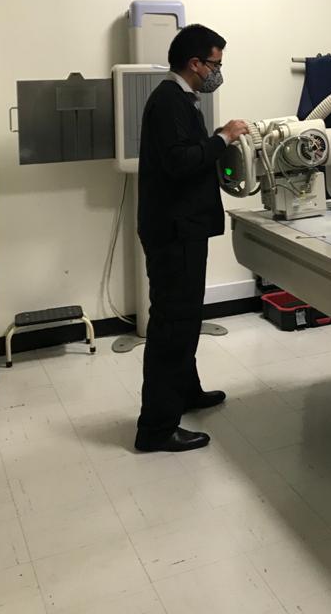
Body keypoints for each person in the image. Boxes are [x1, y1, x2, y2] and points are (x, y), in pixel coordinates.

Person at [134, 23, 248, 453]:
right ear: (195, 63)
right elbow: (181, 162)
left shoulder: (182, 100)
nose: (217, 72)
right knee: (172, 325)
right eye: (214, 64)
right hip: (174, 232)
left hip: (183, 228)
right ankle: (156, 428)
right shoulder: (168, 101)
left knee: (185, 320)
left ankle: (185, 392)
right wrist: (223, 137)